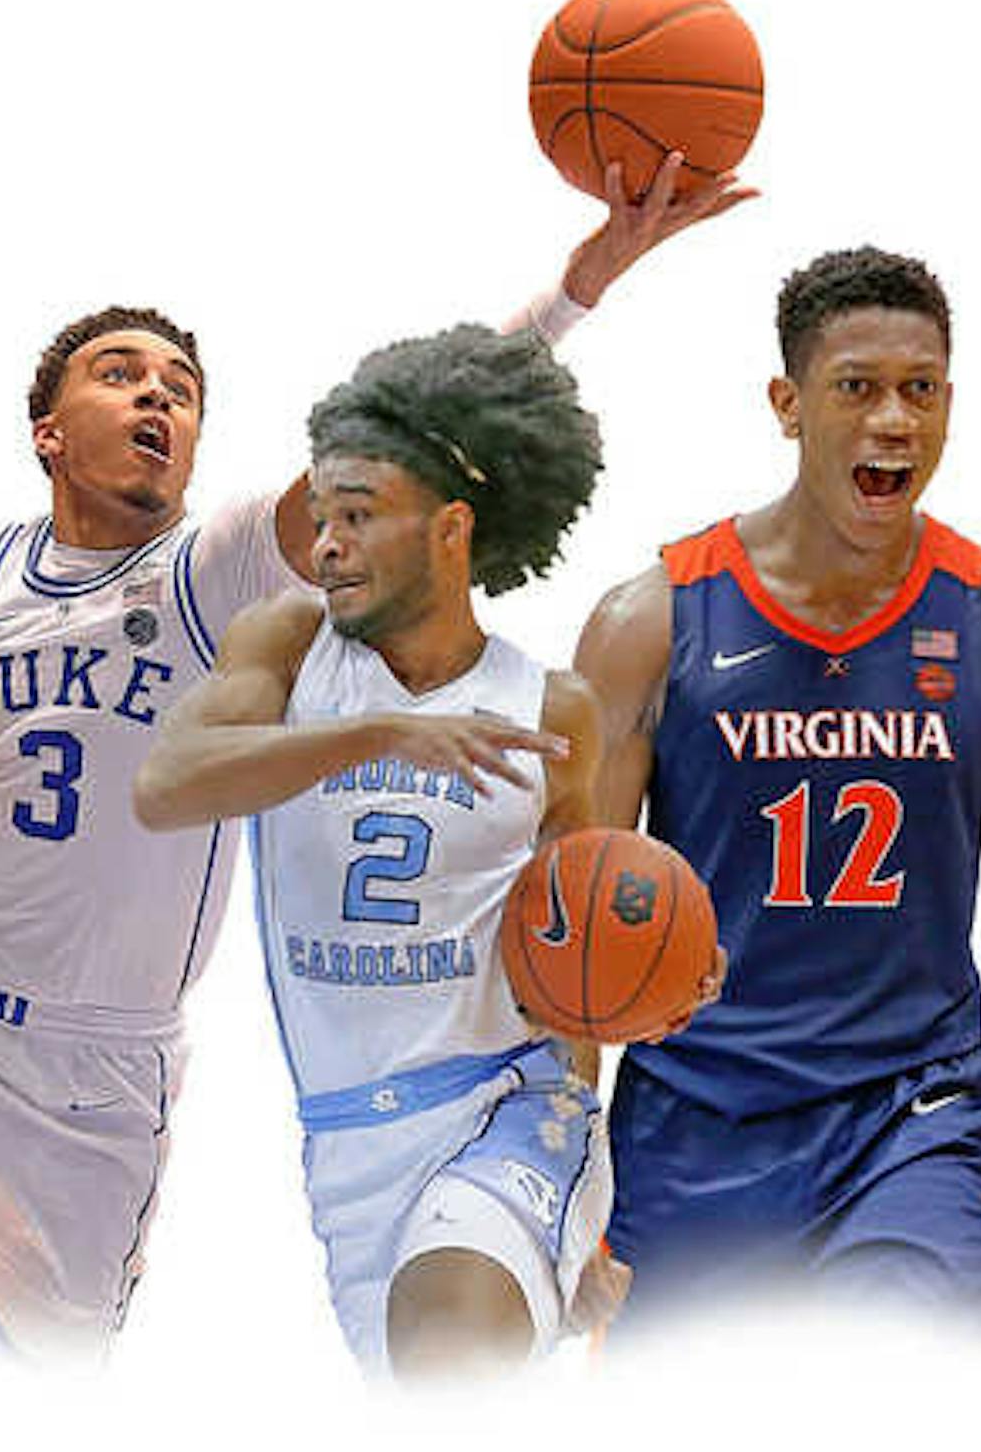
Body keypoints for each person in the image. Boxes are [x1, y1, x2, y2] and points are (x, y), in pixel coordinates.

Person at [0, 159, 751, 1360]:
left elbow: (409, 431)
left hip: (98, 1073)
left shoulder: (217, 568)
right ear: (48, 430)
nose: (159, 398)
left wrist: (585, 282)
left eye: (181, 389)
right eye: (121, 374)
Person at [574, 247, 981, 1359]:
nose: (894, 421)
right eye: (857, 388)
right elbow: (569, 945)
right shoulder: (651, 623)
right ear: (787, 404)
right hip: (692, 1123)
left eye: (920, 391)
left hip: (908, 1123)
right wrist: (558, 1193)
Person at [131, 324, 708, 1378]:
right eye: (322, 518)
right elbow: (166, 786)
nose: (330, 543)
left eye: (358, 515)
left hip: (509, 1107)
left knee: (448, 1349)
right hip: (347, 1142)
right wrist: (379, 732)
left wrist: (576, 1199)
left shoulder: (550, 709)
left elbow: (568, 969)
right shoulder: (288, 644)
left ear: (450, 528)